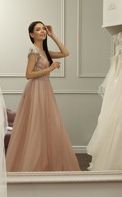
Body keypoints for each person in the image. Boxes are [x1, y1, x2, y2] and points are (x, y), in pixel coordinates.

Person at [6, 21, 80, 171]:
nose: (42, 31)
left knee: (47, 125)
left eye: (43, 29)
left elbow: (66, 52)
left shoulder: (44, 51)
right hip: (36, 90)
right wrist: (51, 68)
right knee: (36, 126)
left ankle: (45, 163)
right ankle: (33, 164)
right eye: (38, 29)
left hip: (45, 89)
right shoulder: (33, 51)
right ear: (32, 34)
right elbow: (28, 74)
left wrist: (53, 35)